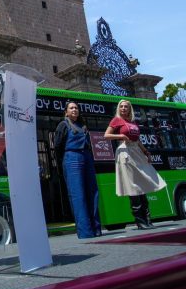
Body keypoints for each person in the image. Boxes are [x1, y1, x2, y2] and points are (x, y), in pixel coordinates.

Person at [104, 99, 166, 229]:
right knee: (133, 186)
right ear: (118, 108)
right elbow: (106, 135)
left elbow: (137, 139)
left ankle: (148, 219)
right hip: (125, 151)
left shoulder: (132, 122)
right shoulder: (116, 120)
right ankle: (140, 221)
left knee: (143, 184)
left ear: (130, 109)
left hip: (137, 151)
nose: (123, 108)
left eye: (126, 106)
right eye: (121, 106)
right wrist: (121, 136)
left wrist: (145, 151)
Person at [54, 101, 103, 238]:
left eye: (76, 108)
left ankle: (96, 228)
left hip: (87, 158)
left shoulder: (83, 126)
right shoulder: (63, 125)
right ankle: (85, 232)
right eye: (71, 108)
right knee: (78, 195)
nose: (74, 110)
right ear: (66, 112)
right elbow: (57, 146)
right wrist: (62, 163)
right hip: (72, 158)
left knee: (93, 193)